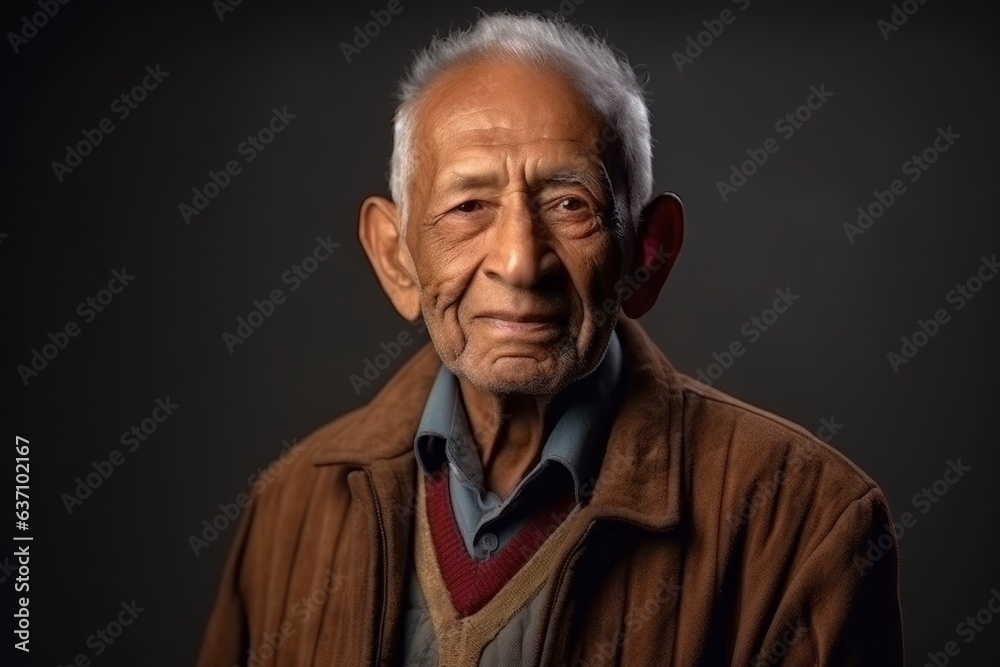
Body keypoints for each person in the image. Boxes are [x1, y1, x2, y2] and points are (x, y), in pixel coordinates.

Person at [197, 11, 903, 666]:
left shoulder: (806, 523)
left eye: (571, 205)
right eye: (468, 206)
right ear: (396, 258)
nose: (519, 260)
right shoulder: (290, 505)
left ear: (646, 257)